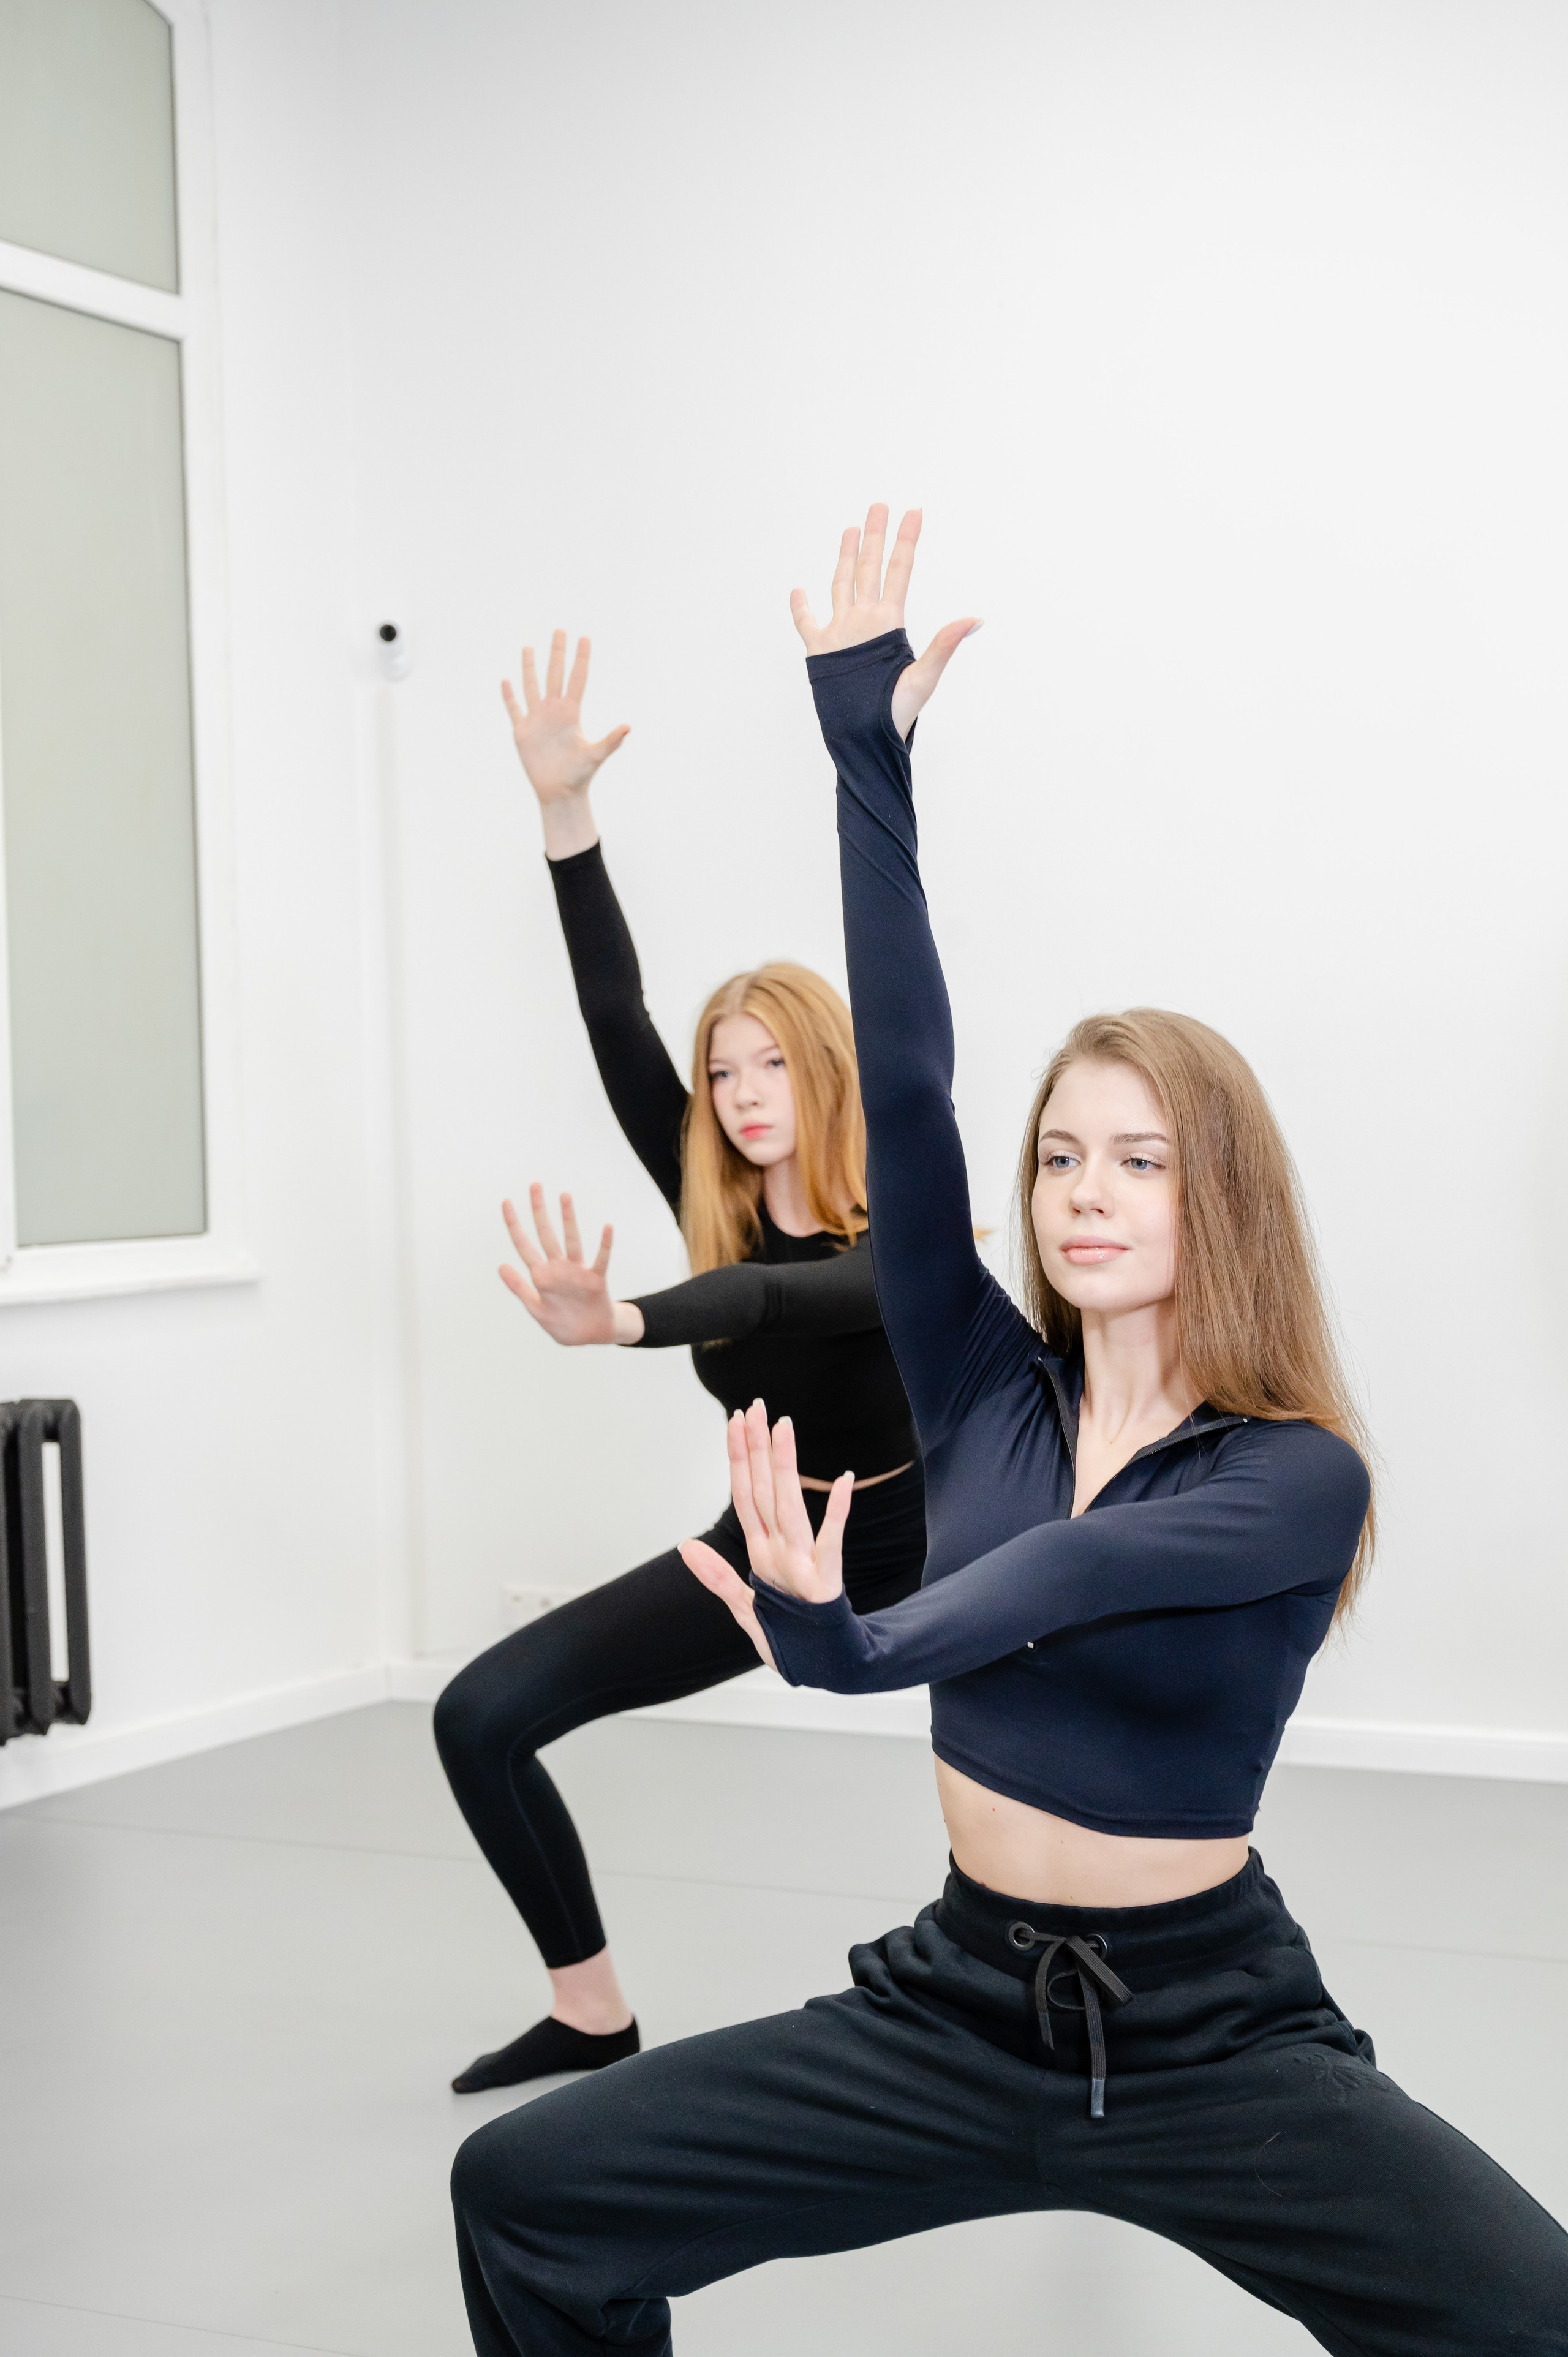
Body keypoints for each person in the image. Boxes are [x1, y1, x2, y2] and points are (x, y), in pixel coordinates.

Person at [447, 515, 1568, 2352]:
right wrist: (863, 750)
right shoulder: (978, 1378)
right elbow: (902, 1081)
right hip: (955, 2005)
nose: (1085, 1191)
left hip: (1209, 2034)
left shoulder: (1292, 1470)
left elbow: (1072, 1570)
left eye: (1141, 1159)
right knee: (531, 2198)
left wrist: (853, 1642)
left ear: (1227, 1200)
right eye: (1062, 1157)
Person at [433, 627, 927, 2093]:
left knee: (1054, 1749)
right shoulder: (704, 1179)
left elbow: (786, 1305)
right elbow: (610, 1011)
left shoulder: (907, 1204)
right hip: (765, 1548)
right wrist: (562, 812)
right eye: (723, 1068)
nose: (740, 1091)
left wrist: (632, 1319)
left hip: (924, 1553)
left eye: (771, 1061)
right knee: (479, 1718)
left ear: (826, 1070)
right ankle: (591, 2010)